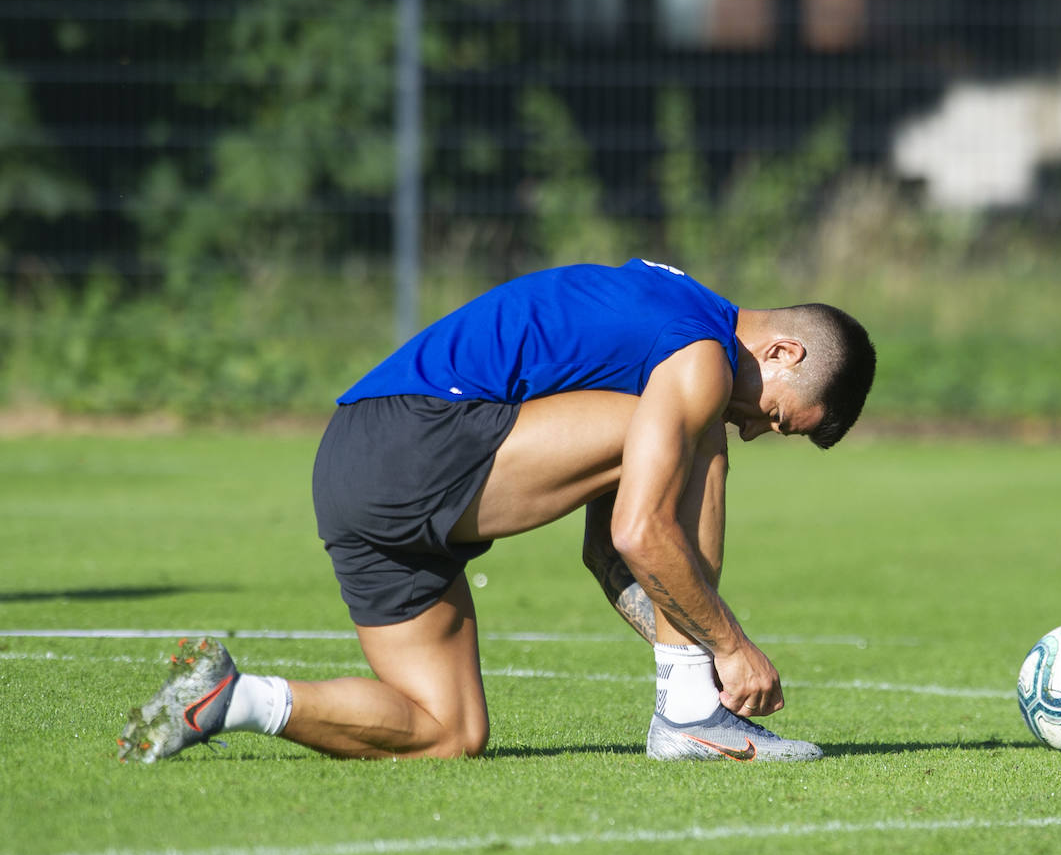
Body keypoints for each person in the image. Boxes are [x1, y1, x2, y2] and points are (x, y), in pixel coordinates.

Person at [118, 257, 876, 763]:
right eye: (777, 417)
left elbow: (609, 558)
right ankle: (686, 715)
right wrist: (731, 647)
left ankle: (229, 698)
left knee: (447, 730)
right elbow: (639, 530)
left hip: (351, 464)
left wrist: (695, 642)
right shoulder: (700, 355)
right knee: (693, 431)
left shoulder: (672, 310)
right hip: (414, 439)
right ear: (785, 353)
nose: (756, 426)